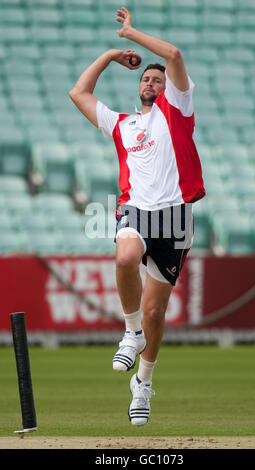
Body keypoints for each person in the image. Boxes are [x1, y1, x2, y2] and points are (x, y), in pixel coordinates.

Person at [69, 7, 205, 426]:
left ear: (168, 89)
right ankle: (130, 334)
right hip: (136, 211)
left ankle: (143, 382)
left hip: (175, 218)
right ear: (138, 86)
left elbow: (175, 54)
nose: (150, 82)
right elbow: (79, 93)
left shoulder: (176, 112)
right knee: (125, 258)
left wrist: (132, 34)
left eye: (157, 79)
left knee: (155, 312)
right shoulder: (123, 124)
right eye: (146, 78)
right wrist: (112, 54)